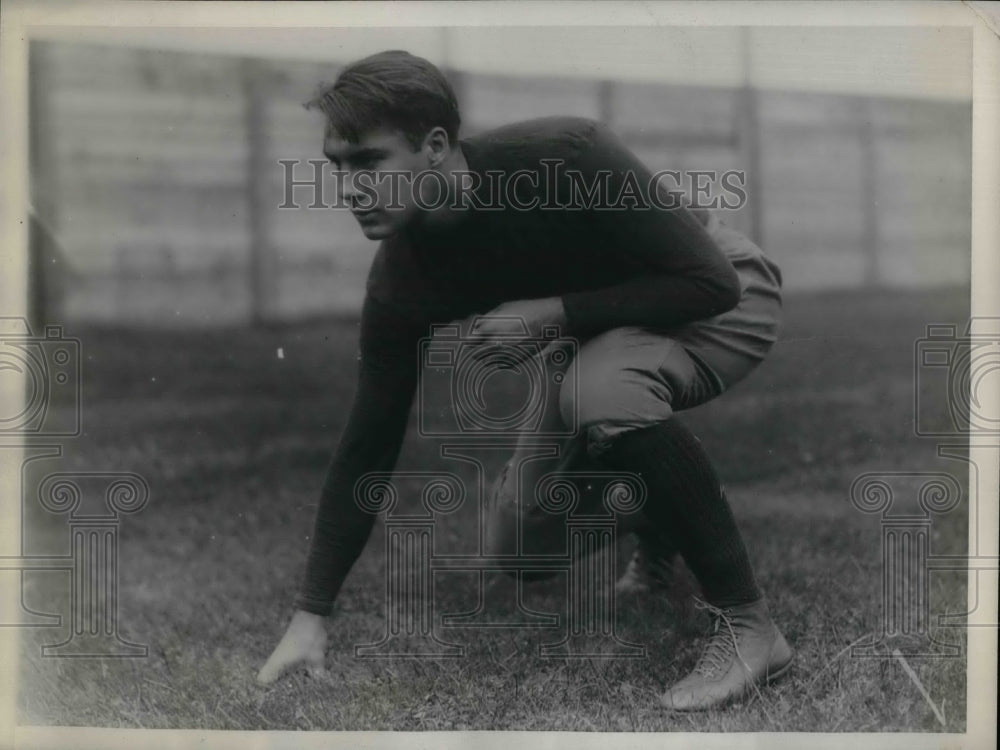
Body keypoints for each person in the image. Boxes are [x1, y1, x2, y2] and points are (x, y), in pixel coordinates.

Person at [257, 49, 793, 711]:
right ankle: (659, 510)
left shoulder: (564, 154)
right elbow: (367, 444)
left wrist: (553, 314)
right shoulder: (401, 282)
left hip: (717, 292)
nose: (348, 188)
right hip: (600, 333)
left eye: (369, 162)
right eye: (337, 166)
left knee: (601, 390)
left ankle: (749, 627)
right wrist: (311, 615)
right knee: (524, 550)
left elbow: (709, 282)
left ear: (434, 146)